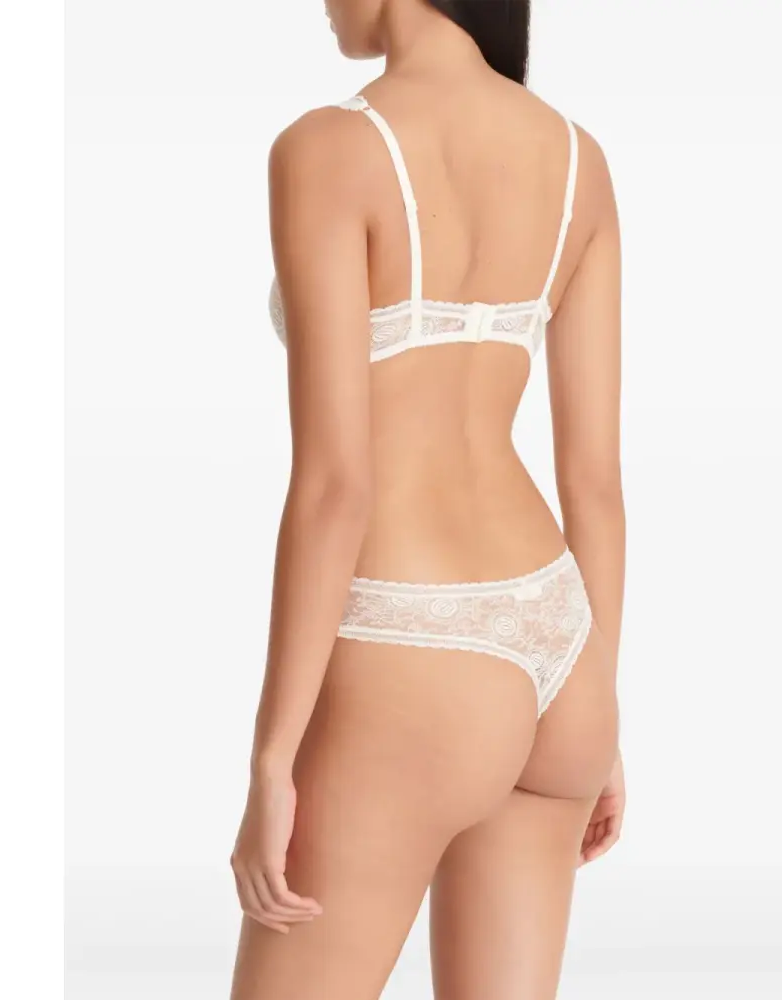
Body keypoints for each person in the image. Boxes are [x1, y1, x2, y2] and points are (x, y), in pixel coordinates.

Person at [230, 2, 626, 997]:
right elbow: (594, 480)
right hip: (558, 645)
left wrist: (272, 760)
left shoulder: (330, 148)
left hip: (413, 639)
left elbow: (336, 486)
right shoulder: (576, 160)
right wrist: (601, 714)